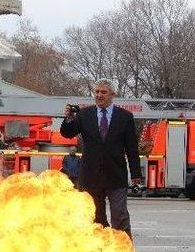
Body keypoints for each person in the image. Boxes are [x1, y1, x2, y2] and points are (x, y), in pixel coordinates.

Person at [60, 79, 142, 242]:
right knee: (96, 217)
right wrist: (68, 119)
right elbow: (67, 133)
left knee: (119, 215)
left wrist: (136, 173)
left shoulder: (125, 117)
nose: (99, 95)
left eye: (103, 92)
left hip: (116, 175)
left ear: (112, 94)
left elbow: (131, 148)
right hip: (90, 176)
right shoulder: (84, 115)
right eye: (96, 92)